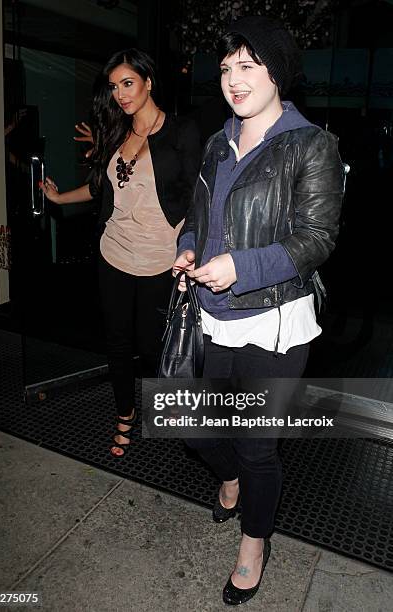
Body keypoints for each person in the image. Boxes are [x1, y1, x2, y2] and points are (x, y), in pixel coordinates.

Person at [173, 16, 344, 606]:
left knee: (256, 446)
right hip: (214, 312)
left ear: (278, 73)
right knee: (197, 430)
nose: (232, 79)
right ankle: (230, 479)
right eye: (225, 68)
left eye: (247, 66)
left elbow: (316, 238)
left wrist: (241, 266)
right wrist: (188, 247)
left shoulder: (311, 145)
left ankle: (254, 543)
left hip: (274, 322)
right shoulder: (220, 141)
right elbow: (199, 215)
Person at [40, 48, 201, 457]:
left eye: (127, 84)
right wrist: (59, 199)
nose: (120, 94)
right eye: (114, 87)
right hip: (113, 253)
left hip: (158, 260)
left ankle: (170, 411)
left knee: (150, 346)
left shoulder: (182, 132)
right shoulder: (114, 131)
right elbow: (102, 189)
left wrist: (194, 248)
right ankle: (125, 414)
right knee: (115, 341)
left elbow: (201, 199)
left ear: (148, 82)